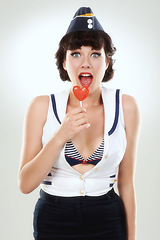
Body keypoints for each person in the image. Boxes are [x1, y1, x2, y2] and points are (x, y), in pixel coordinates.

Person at [18, 6, 140, 240]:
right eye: (75, 53)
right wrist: (60, 136)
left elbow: (126, 182)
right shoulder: (42, 107)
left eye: (95, 54)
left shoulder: (126, 107)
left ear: (107, 63)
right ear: (64, 63)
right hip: (53, 218)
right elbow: (25, 184)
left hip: (108, 217)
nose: (85, 63)